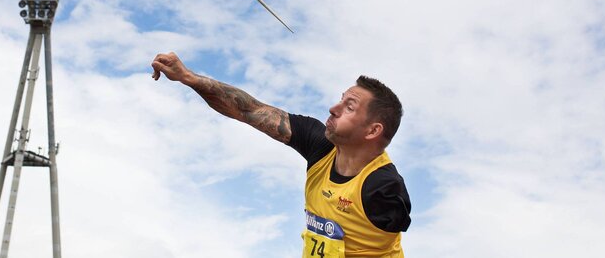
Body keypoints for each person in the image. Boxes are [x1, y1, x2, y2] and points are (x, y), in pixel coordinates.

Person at [151, 52, 411, 258]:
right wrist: (189, 77)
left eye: (349, 107)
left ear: (373, 130)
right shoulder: (318, 145)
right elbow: (249, 111)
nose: (333, 108)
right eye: (341, 100)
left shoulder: (383, 189)